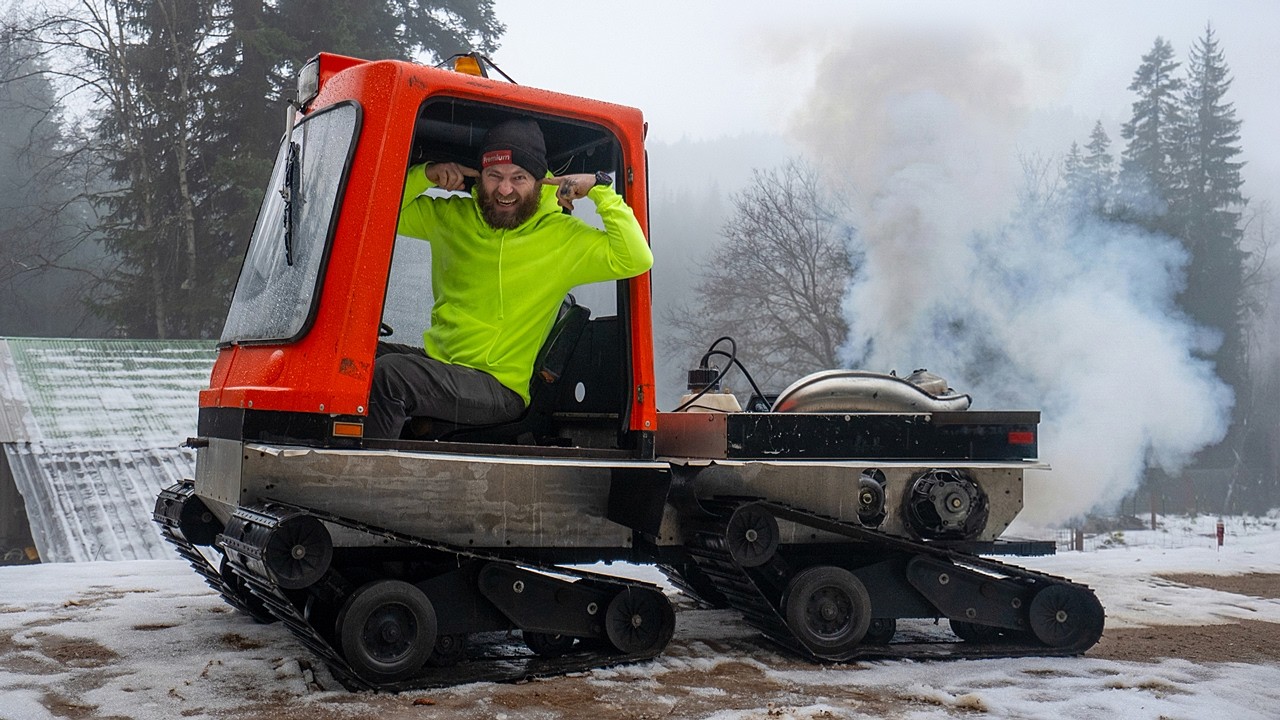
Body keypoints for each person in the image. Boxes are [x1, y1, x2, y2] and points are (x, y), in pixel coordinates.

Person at [365, 118, 654, 439]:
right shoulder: (451, 217)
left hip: (497, 386)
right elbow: (373, 210)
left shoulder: (562, 238)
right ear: (479, 176)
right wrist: (425, 175)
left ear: (540, 181)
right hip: (442, 364)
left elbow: (635, 257)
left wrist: (599, 189)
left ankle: (365, 469)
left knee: (390, 377)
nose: (505, 189)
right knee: (355, 356)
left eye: (519, 177)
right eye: (495, 176)